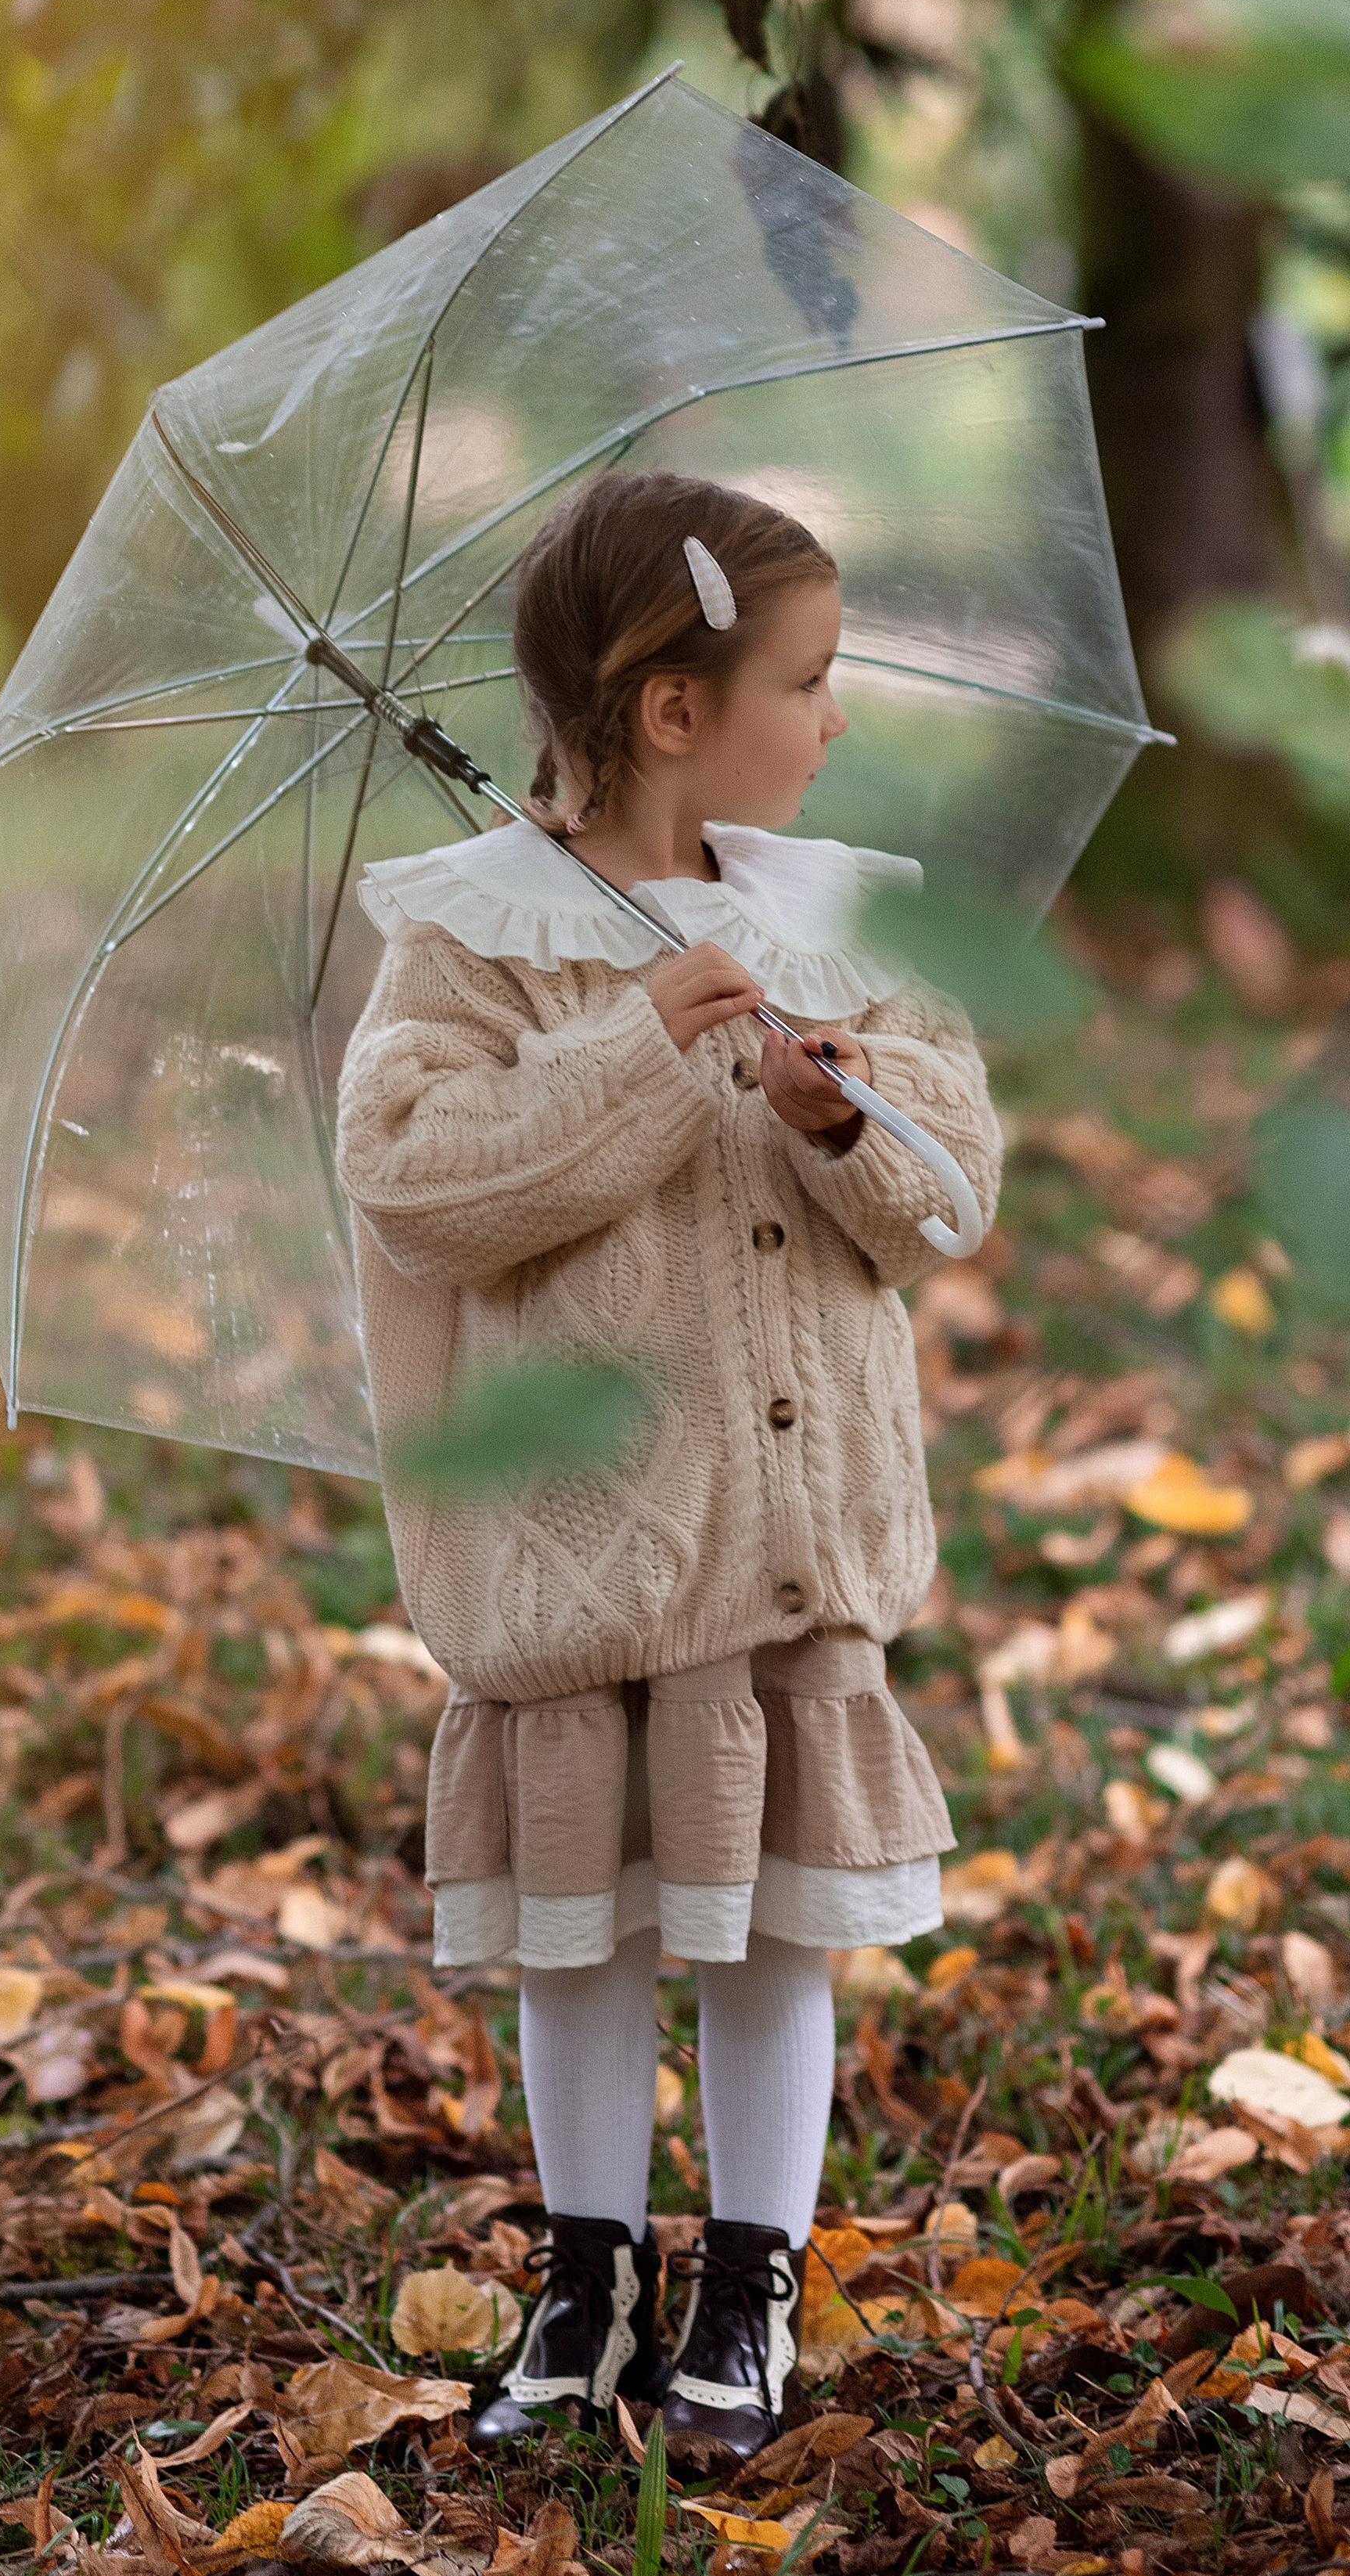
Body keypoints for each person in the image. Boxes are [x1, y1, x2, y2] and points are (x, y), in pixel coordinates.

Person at [334, 468, 1001, 2460]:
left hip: (786, 1543)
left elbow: (952, 1190)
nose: (837, 715)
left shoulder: (839, 922)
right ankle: (591, 2268)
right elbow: (417, 1182)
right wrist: (629, 1042)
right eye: (808, 678)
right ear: (670, 710)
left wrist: (839, 1111)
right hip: (585, 1550)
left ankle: (752, 2277)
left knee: (772, 1917)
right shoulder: (472, 942)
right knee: (588, 1924)